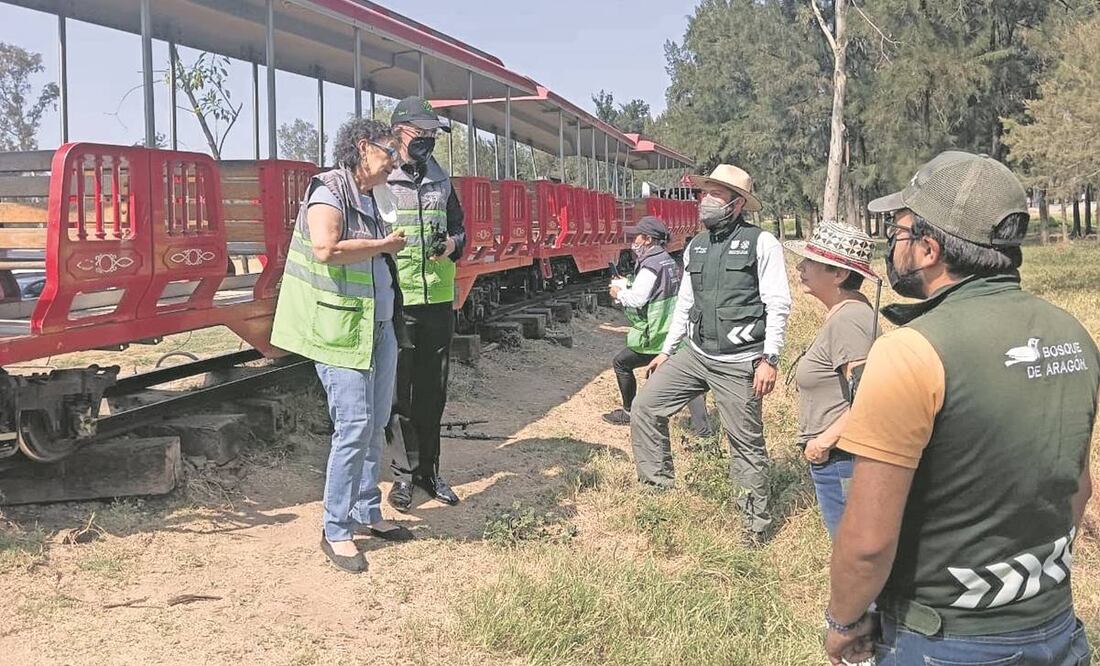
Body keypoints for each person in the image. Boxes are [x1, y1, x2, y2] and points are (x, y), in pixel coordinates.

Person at [824, 151, 1100, 665]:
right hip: (1056, 628)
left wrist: (843, 621)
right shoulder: (1073, 336)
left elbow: (867, 542)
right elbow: (1077, 488)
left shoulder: (910, 351)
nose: (892, 244)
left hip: (945, 641)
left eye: (899, 231)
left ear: (929, 249)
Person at [270, 118, 413, 574]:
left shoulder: (376, 194)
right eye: (389, 150)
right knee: (353, 425)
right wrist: (382, 245)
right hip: (337, 329)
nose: (395, 159)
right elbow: (325, 249)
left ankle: (367, 511)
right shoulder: (329, 189)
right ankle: (335, 529)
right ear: (362, 146)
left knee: (376, 423)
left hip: (378, 326)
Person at [630, 164, 792, 543]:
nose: (706, 201)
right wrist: (669, 351)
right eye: (705, 193)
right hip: (696, 353)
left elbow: (778, 302)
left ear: (736, 205)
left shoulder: (761, 242)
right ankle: (658, 494)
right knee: (646, 407)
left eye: (716, 194)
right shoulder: (695, 246)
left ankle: (755, 530)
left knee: (745, 444)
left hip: (740, 362)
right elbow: (686, 302)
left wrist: (770, 359)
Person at [385, 96, 467, 512]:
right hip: (398, 302)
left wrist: (452, 244)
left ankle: (429, 473)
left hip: (437, 299)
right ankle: (402, 476)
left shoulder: (441, 179)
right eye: (422, 133)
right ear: (399, 131)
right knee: (399, 394)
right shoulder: (383, 180)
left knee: (433, 392)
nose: (429, 141)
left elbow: (461, 231)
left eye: (434, 134)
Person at [782, 221, 879, 537]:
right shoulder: (847, 313)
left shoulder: (849, 320)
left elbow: (871, 398)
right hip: (840, 458)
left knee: (855, 554)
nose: (800, 267)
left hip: (843, 459)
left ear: (838, 274)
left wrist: (822, 444)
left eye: (810, 262)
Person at [603, 216, 713, 439]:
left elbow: (638, 299)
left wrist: (619, 293)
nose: (634, 240)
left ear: (648, 240)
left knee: (621, 363)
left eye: (638, 237)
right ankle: (704, 432)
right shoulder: (666, 261)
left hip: (657, 334)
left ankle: (629, 412)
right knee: (688, 379)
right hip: (673, 331)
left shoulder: (651, 265)